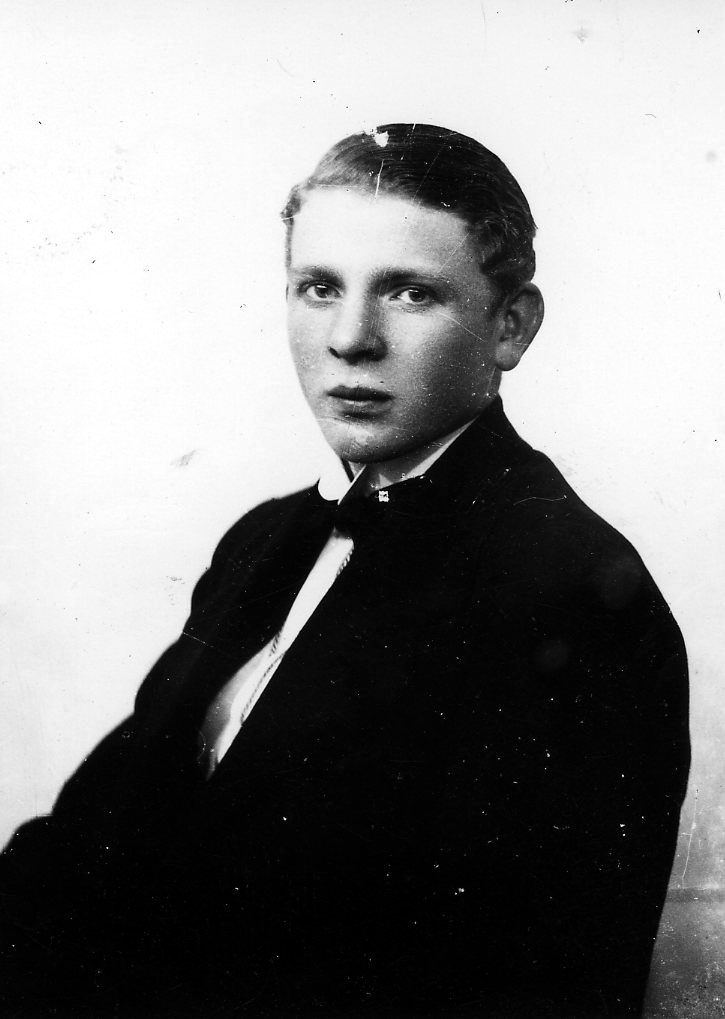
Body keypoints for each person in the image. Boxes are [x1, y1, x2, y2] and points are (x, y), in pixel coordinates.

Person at [0, 124, 690, 1018]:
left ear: (510, 325)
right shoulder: (265, 539)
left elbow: (534, 984)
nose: (350, 338)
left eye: (409, 292)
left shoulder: (573, 594)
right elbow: (91, 841)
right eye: (319, 287)